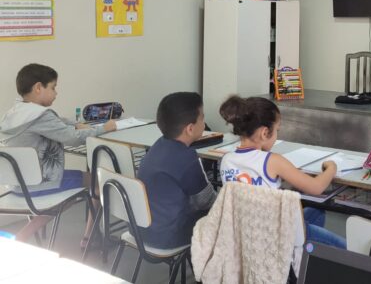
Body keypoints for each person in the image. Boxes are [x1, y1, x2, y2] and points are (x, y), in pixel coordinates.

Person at [0, 63, 117, 244]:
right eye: (53, 87)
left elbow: (58, 121)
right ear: (38, 87)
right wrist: (105, 128)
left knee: (74, 191)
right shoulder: (41, 116)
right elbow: (73, 138)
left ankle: (21, 237)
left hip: (16, 185)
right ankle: (89, 238)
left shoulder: (16, 112)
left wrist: (76, 123)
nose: (56, 93)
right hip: (39, 185)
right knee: (98, 183)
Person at [218, 95, 346, 248]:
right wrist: (332, 168)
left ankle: (304, 260)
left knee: (316, 211)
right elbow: (316, 187)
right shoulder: (272, 160)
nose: (277, 135)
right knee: (347, 248)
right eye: (277, 130)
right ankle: (297, 255)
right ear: (265, 133)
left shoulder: (226, 160)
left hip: (245, 234)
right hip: (276, 234)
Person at [137, 92, 217, 248]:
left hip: (140, 229)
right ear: (190, 128)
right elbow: (206, 202)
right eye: (202, 118)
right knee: (223, 217)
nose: (204, 122)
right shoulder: (185, 158)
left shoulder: (158, 145)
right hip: (168, 235)